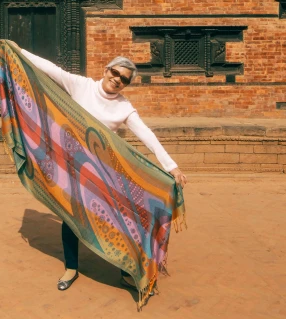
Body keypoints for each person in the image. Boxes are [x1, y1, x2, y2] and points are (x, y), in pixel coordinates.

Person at [19, 47, 188, 293]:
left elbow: (147, 135)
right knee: (71, 216)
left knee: (120, 218)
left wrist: (171, 167)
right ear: (106, 70)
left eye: (125, 79)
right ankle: (71, 268)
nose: (118, 80)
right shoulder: (81, 86)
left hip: (105, 170)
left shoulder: (124, 107)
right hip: (73, 165)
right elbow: (50, 69)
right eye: (116, 73)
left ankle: (126, 271)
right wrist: (17, 50)